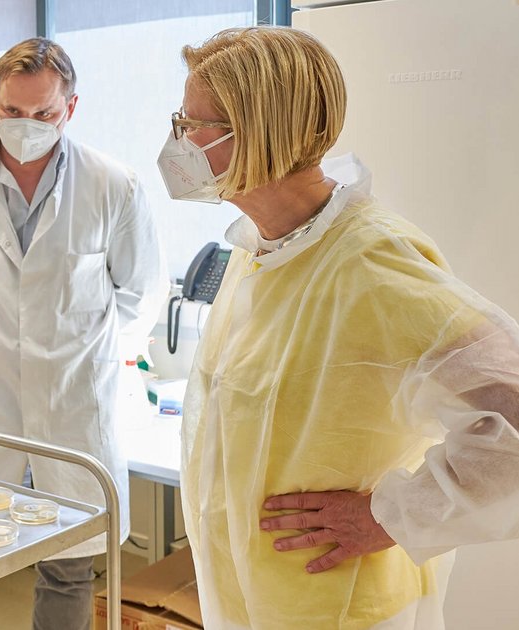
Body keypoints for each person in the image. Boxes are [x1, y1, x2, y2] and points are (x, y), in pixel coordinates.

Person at [158, 25, 519, 629]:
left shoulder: (370, 264)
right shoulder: (261, 250)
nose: (179, 143)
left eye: (193, 126)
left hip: (342, 609)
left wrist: (389, 517)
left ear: (258, 136)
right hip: (258, 602)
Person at [0, 37, 167, 629]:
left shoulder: (113, 183)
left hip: (74, 407)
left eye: (44, 114)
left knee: (69, 566)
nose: (27, 126)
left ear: (70, 109)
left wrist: (84, 361)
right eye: (13, 113)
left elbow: (140, 293)